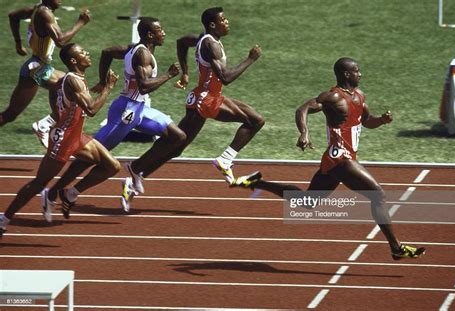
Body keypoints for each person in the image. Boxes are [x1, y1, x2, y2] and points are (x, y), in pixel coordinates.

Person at [233, 57, 426, 260]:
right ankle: (396, 247)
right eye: (357, 71)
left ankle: (258, 182)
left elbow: (367, 121)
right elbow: (303, 109)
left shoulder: (360, 96)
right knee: (378, 195)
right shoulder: (333, 97)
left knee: (307, 201)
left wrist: (382, 121)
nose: (360, 74)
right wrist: (304, 133)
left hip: (341, 159)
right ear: (346, 74)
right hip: (340, 158)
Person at [121, 7, 264, 210]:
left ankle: (134, 177)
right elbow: (226, 77)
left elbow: (181, 42)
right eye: (223, 19)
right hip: (205, 99)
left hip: (207, 97)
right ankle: (224, 159)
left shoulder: (202, 39)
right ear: (212, 24)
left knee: (176, 147)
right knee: (255, 120)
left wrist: (185, 73)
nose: (227, 22)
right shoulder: (209, 45)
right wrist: (250, 58)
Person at [43, 17, 186, 214]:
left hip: (140, 109)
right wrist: (169, 75)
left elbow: (107, 52)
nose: (164, 33)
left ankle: (135, 169)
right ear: (149, 35)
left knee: (178, 137)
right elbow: (144, 87)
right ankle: (54, 192)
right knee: (91, 157)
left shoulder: (134, 49)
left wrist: (102, 80)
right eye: (159, 30)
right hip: (126, 111)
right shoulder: (142, 55)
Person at [0, 43, 120, 237]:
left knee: (112, 166)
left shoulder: (72, 78)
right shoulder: (73, 80)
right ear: (74, 61)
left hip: (76, 137)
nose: (87, 53)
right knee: (38, 183)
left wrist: (56, 115)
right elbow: (91, 110)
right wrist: (108, 87)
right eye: (82, 52)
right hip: (63, 139)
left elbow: (56, 93)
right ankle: (4, 218)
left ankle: (70, 193)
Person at [1, 0, 90, 148]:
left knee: (72, 86)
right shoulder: (44, 13)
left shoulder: (37, 9)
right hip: (35, 70)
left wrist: (18, 43)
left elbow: (13, 16)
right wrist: (80, 22)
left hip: (41, 66)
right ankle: (45, 125)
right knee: (9, 115)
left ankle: (46, 124)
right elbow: (60, 40)